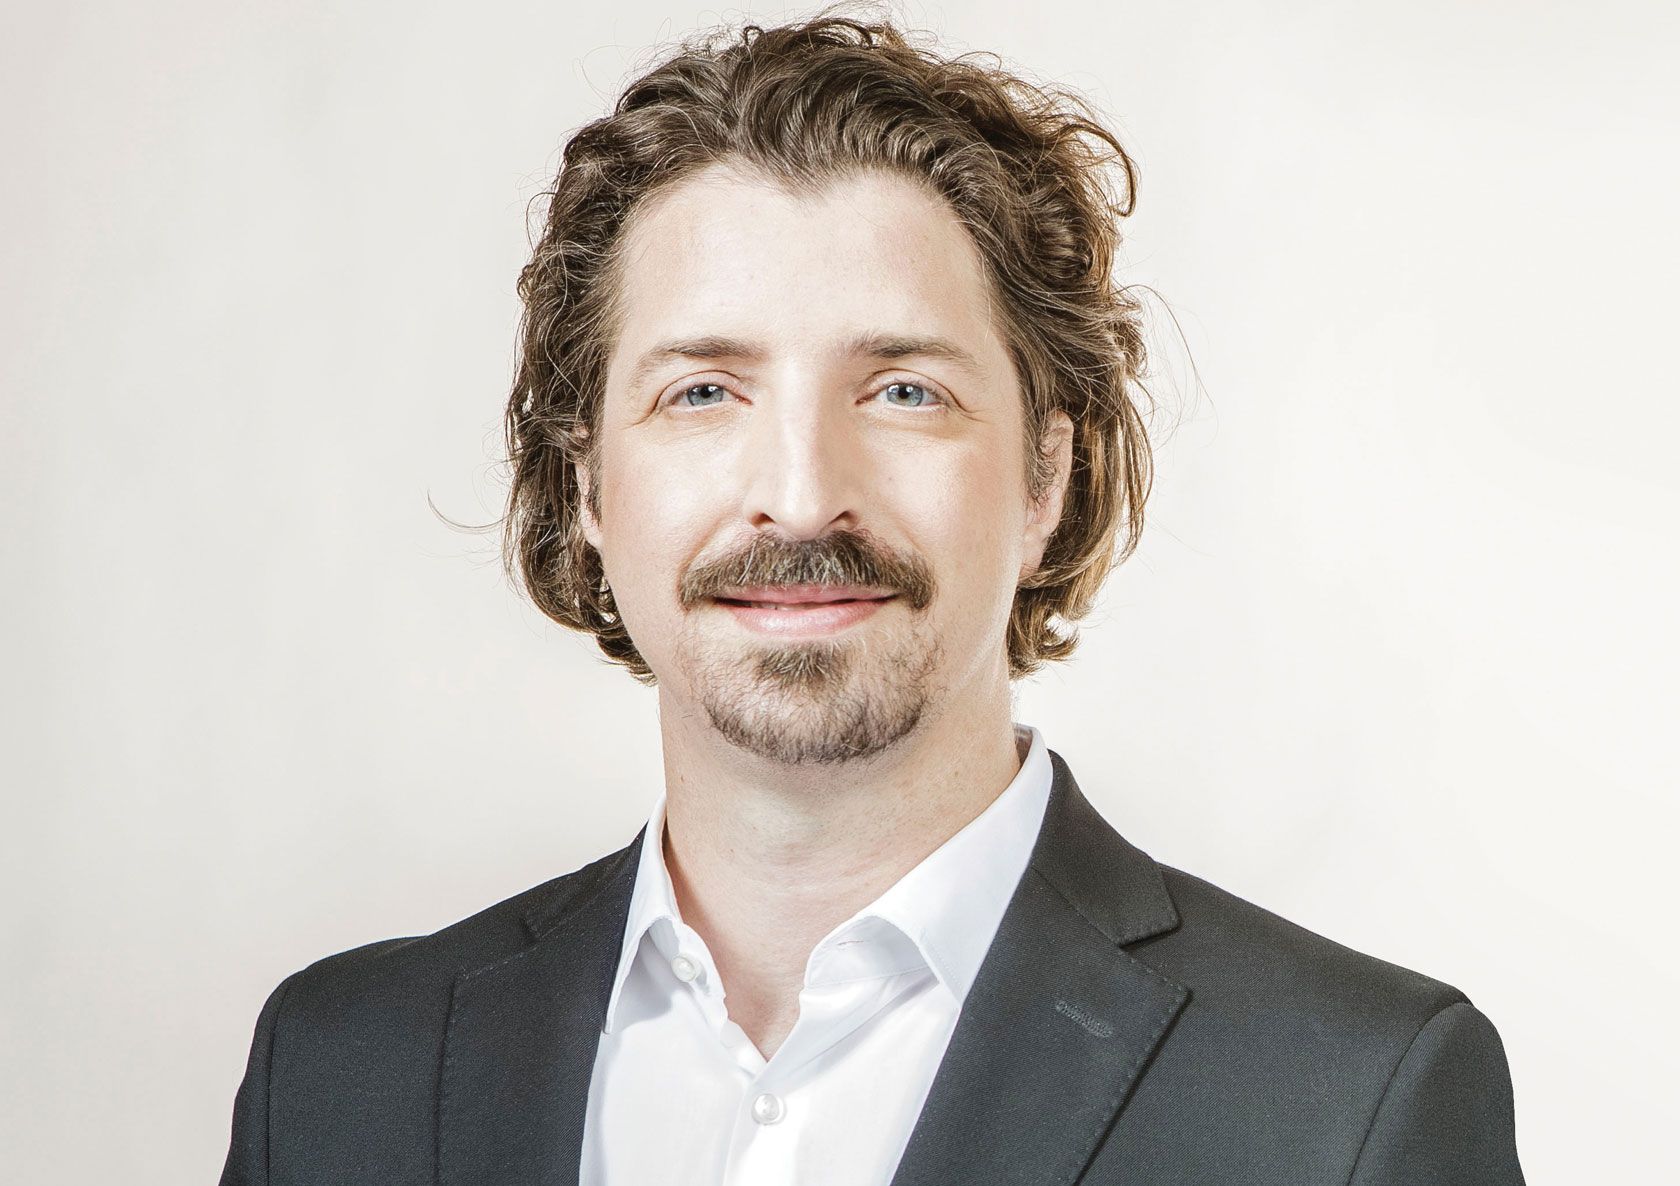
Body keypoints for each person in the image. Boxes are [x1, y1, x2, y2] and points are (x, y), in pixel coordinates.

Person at [218, 12, 1525, 1185]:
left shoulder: (1349, 1102)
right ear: (589, 487)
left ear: (1046, 477)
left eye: (904, 391)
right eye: (702, 392)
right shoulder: (337, 1072)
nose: (800, 498)